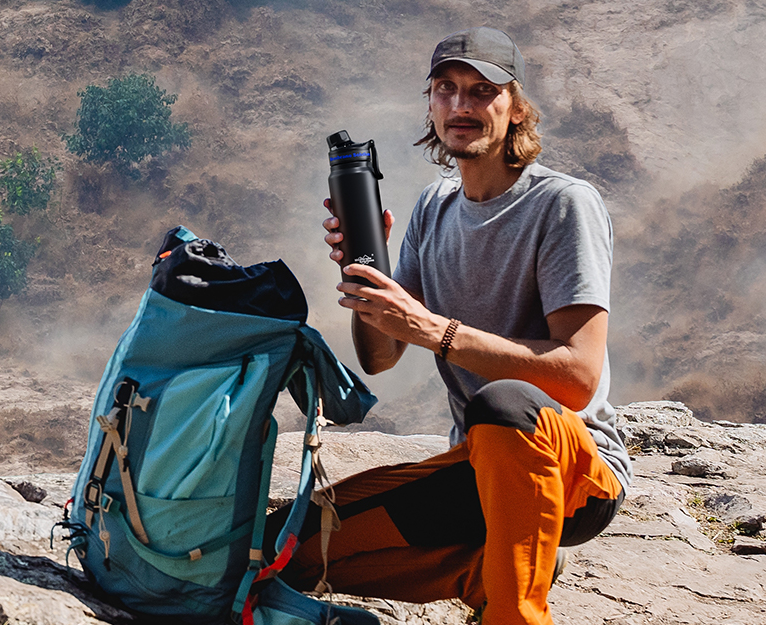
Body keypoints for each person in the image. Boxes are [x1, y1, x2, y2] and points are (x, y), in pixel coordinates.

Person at [267, 27, 632, 625]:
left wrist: (435, 330)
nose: (461, 105)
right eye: (446, 89)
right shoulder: (434, 207)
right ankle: (491, 567)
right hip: (474, 470)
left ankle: (515, 613)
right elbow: (381, 356)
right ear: (431, 103)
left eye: (483, 91)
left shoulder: (564, 204)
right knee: (283, 547)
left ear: (516, 108)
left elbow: (577, 378)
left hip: (572, 474)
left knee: (504, 403)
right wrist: (369, 276)